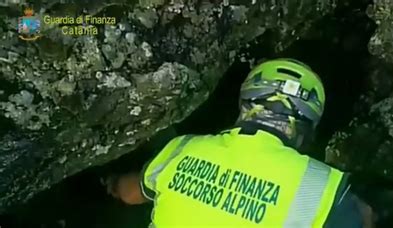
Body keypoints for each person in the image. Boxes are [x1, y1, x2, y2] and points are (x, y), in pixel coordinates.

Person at [106, 59, 375, 227]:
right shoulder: (321, 187)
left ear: (245, 104)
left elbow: (130, 193)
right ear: (307, 125)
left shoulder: (182, 147)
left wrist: (111, 183)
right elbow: (359, 219)